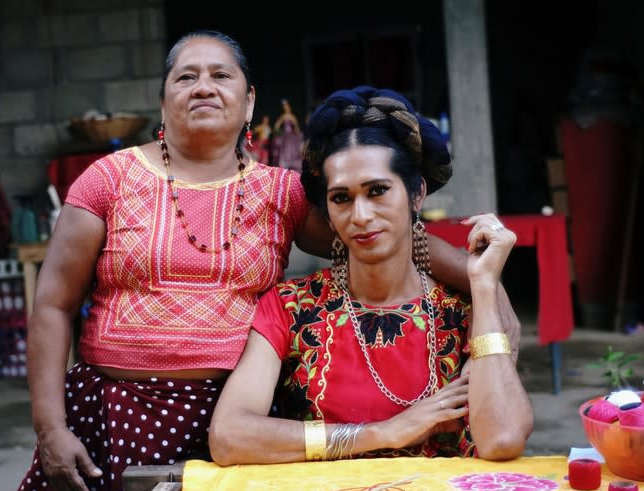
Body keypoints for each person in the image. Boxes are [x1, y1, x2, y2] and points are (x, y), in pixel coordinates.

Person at [6, 32, 512, 491]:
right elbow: (52, 305)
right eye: (186, 76)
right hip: (112, 416)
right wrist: (51, 428)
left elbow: (381, 235)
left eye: (221, 75)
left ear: (249, 103)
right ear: (163, 101)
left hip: (239, 413)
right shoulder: (107, 179)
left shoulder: (281, 193)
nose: (204, 86)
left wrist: (477, 273)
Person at [209, 86, 533, 466]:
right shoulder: (291, 308)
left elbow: (502, 439)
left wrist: (483, 286)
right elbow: (229, 437)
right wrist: (382, 432)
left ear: (416, 195)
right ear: (327, 213)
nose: (360, 216)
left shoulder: (463, 309)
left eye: (377, 191)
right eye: (341, 198)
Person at [271, 98, 304, 171]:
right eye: (284, 107)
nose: (286, 108)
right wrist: (278, 132)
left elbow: (296, 127)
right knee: (285, 149)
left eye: (286, 107)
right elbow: (276, 126)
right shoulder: (283, 116)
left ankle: (292, 163)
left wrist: (297, 133)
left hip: (291, 135)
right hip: (285, 135)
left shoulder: (292, 116)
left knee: (292, 149)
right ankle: (286, 163)